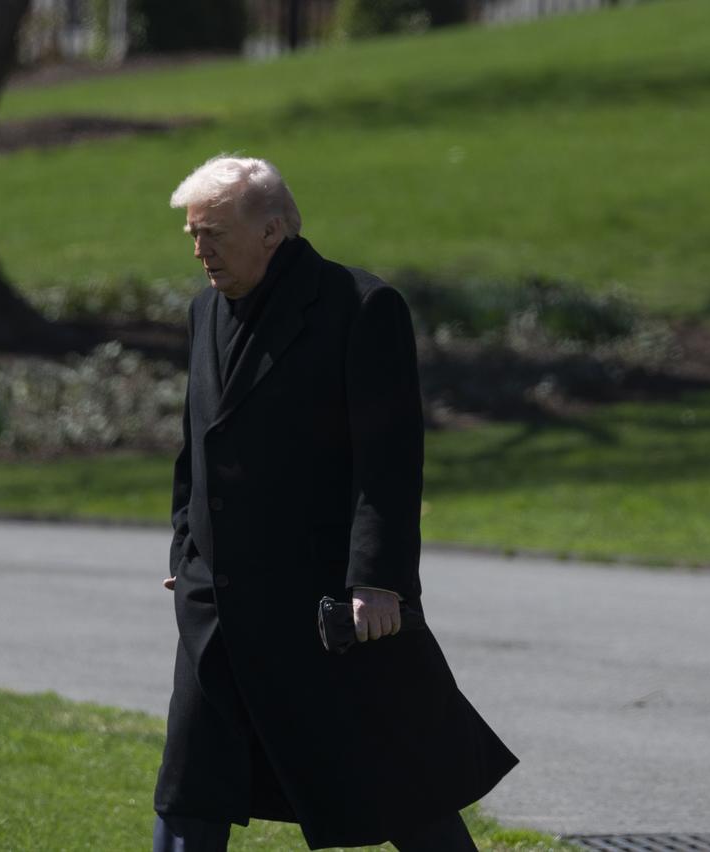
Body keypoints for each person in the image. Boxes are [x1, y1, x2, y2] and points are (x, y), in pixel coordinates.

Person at [153, 155, 518, 851]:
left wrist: (378, 581)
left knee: (401, 784)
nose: (199, 250)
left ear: (273, 229)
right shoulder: (204, 311)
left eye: (214, 233)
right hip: (218, 607)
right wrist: (185, 548)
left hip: (325, 606)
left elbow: (388, 461)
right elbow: (195, 443)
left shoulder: (360, 307)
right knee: (190, 787)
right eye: (192, 234)